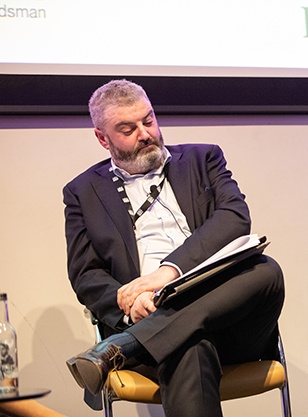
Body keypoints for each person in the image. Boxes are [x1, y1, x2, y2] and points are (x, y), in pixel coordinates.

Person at [63, 79, 285, 417]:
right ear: (102, 138)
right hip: (150, 320)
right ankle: (144, 334)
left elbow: (235, 218)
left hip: (232, 325)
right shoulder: (83, 192)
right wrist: (131, 306)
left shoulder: (203, 158)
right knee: (187, 343)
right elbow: (86, 274)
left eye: (148, 120)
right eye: (128, 129)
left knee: (266, 270)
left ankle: (123, 346)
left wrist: (164, 275)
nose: (145, 134)